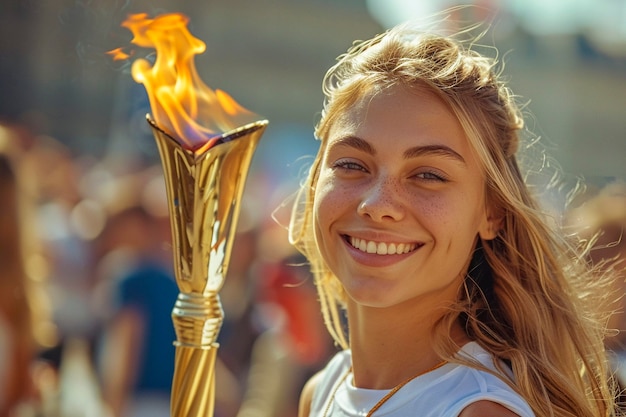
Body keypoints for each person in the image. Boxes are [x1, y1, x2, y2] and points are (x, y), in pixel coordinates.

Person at [288, 16, 620, 417]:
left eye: (428, 175)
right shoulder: (323, 389)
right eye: (351, 165)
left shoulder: (479, 411)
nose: (377, 204)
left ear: (492, 212)